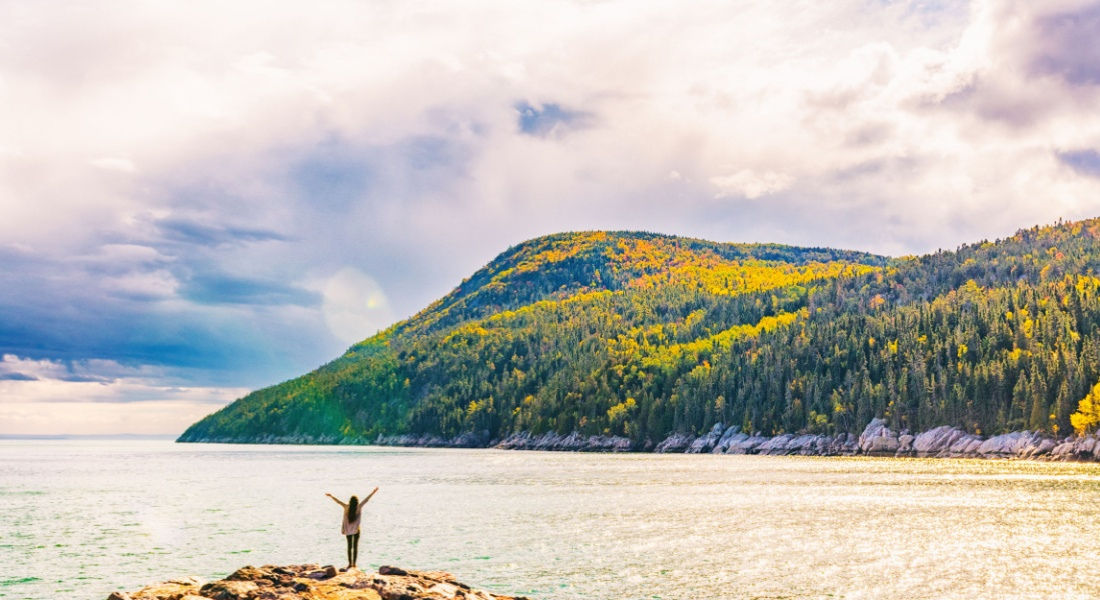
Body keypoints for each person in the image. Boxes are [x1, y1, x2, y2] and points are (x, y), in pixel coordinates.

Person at [325, 487, 378, 570]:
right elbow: (366, 500)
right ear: (357, 501)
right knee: (355, 547)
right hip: (356, 530)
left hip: (348, 530)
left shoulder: (346, 507)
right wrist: (373, 492)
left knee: (349, 547)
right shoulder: (359, 507)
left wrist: (331, 496)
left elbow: (338, 502)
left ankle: (349, 564)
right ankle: (354, 564)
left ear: (350, 501)